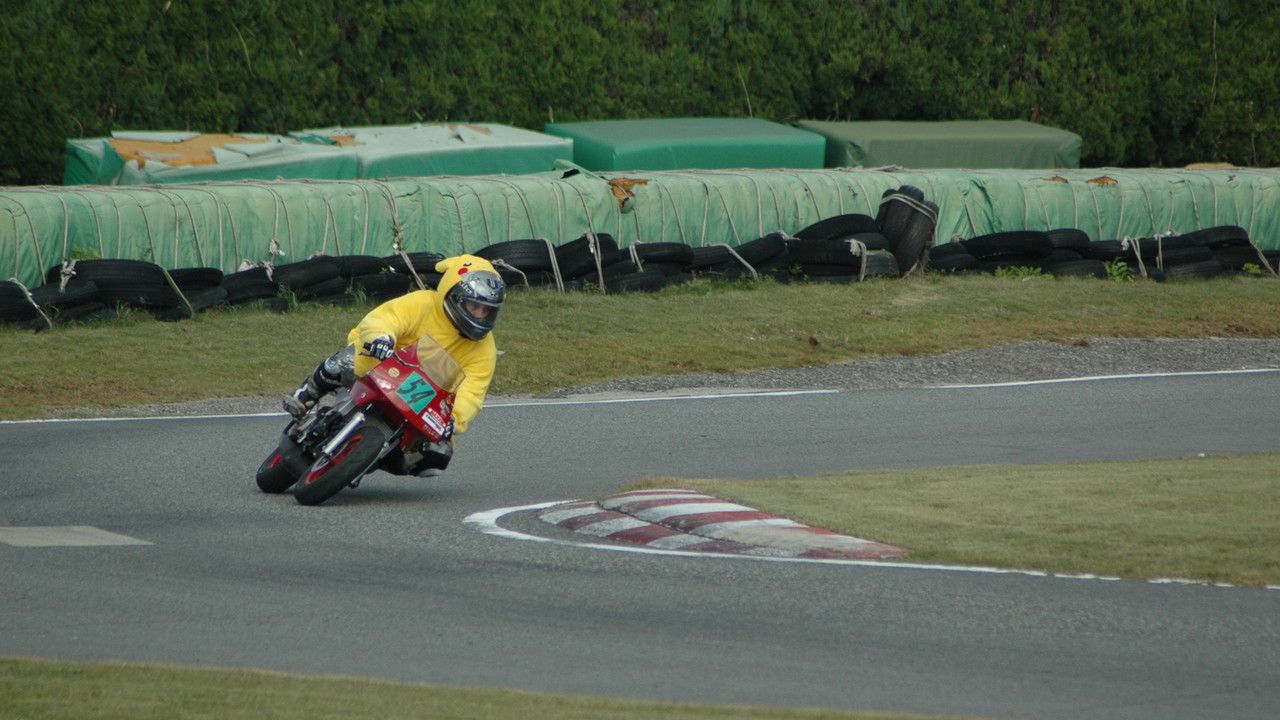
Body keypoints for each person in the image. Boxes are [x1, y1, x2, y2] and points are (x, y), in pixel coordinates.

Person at [282, 254, 505, 469]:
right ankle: (307, 393)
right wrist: (381, 338)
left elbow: (472, 391)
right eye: (474, 306)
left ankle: (381, 456)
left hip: (422, 397)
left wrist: (454, 419)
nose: (479, 315)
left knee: (438, 455)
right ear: (455, 296)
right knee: (343, 363)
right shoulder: (422, 303)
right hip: (383, 363)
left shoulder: (484, 349)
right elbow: (387, 318)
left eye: (487, 311)